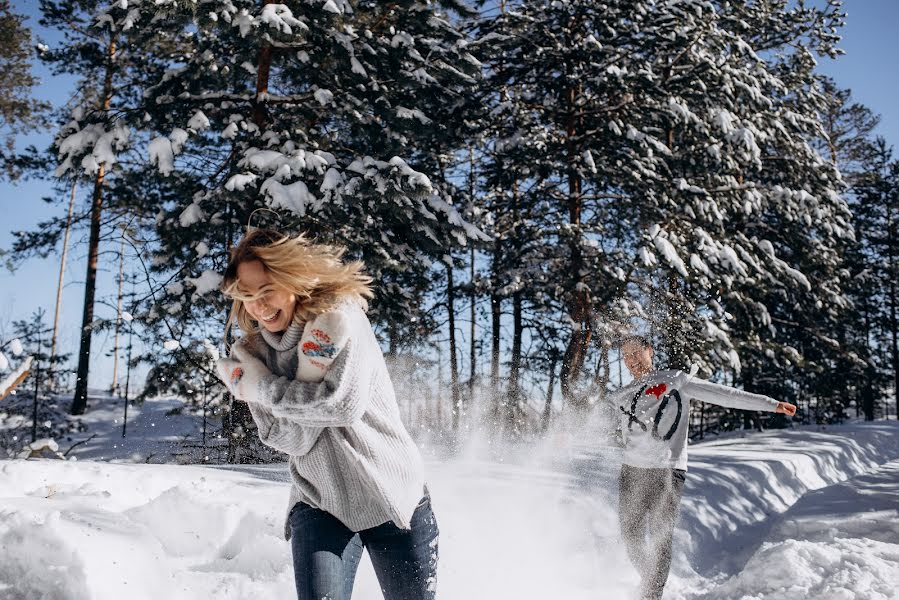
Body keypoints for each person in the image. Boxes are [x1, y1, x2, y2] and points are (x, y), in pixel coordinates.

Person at [214, 228, 438, 600]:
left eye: (267, 291)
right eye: (248, 296)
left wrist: (265, 387)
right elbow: (288, 438)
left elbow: (341, 406)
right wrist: (308, 378)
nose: (259, 306)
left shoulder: (340, 318)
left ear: (293, 280)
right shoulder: (250, 354)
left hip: (393, 494)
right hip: (320, 501)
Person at [608, 334, 796, 600]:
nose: (632, 360)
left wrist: (771, 404)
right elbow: (596, 420)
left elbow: (725, 395)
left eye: (636, 353)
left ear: (650, 350)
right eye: (626, 356)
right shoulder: (624, 394)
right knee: (630, 535)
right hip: (631, 470)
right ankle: (649, 581)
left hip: (666, 470)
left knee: (660, 536)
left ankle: (651, 594)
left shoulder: (675, 379)